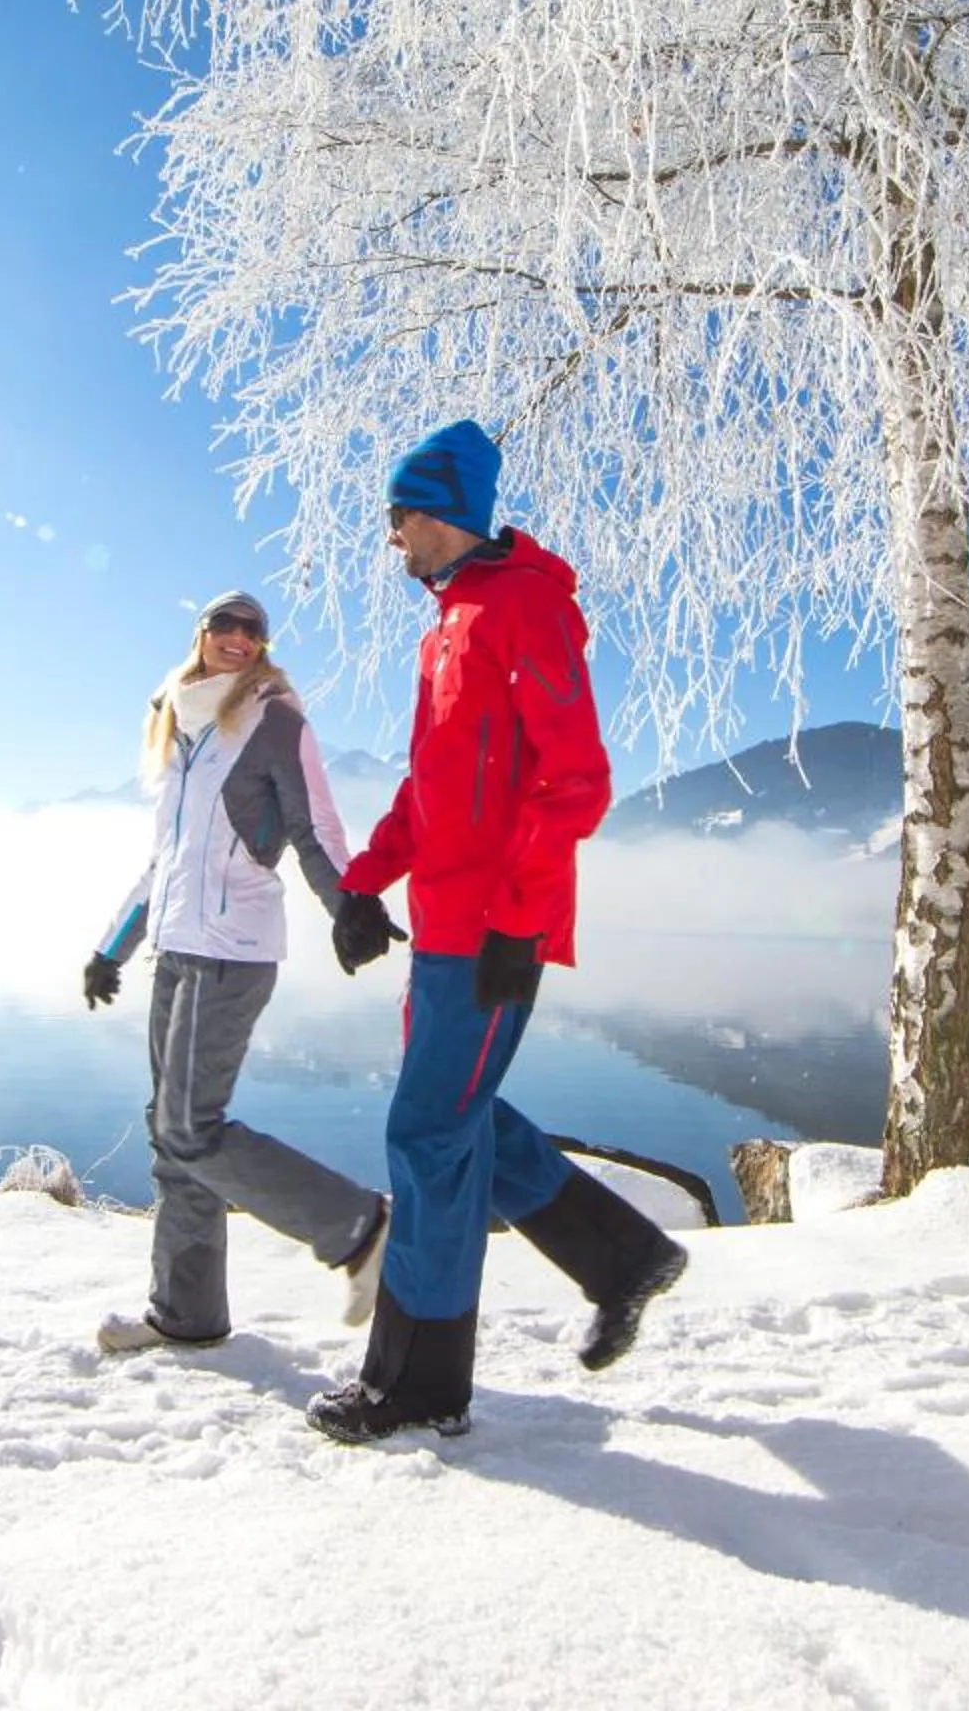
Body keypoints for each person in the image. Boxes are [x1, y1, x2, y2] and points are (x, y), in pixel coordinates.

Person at [308, 419, 688, 1444]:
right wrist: (363, 881)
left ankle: (419, 1383)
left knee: (426, 1134)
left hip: (489, 932)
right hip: (444, 922)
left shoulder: (527, 608)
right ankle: (623, 1256)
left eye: (399, 517)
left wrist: (518, 922)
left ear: (440, 512)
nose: (391, 538)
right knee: (456, 1116)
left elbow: (577, 780)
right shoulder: (450, 621)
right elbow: (432, 785)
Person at [83, 591, 393, 1354]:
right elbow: (167, 860)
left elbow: (314, 824)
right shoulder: (182, 728)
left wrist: (349, 904)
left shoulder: (273, 718)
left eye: (253, 630)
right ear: (202, 635)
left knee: (192, 1127)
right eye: (226, 624)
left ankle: (359, 1226)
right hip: (179, 948)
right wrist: (111, 948)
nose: (239, 638)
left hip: (235, 950)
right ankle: (185, 1314)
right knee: (172, 1138)